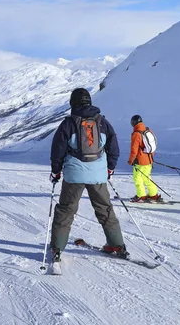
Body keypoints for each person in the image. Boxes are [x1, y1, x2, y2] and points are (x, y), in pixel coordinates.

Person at [49, 87, 127, 265]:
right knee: (105, 209)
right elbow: (113, 148)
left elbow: (58, 149)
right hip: (98, 174)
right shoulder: (103, 122)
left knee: (66, 210)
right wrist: (110, 168)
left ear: (72, 103)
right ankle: (116, 245)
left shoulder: (69, 123)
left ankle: (57, 248)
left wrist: (56, 170)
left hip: (74, 175)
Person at [127, 115, 162, 202]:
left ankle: (141, 195)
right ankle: (153, 194)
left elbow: (134, 149)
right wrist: (149, 156)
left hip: (140, 161)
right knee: (147, 177)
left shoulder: (136, 133)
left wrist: (131, 160)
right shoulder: (148, 130)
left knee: (137, 178)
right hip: (149, 159)